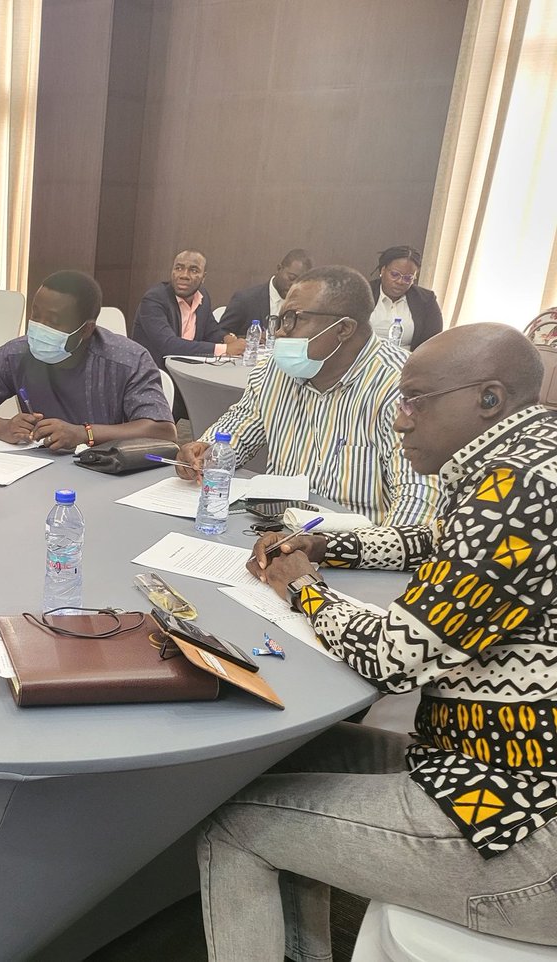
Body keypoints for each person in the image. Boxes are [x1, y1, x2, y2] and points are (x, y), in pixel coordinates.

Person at [197, 324, 557, 961]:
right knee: (300, 755)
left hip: (518, 825)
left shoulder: (520, 490)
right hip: (486, 771)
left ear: (490, 399)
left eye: (418, 400)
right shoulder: (529, 456)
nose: (400, 420)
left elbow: (395, 657)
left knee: (234, 827)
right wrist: (329, 545)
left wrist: (303, 589)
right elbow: (438, 541)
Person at [174, 265, 444, 527]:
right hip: (274, 532)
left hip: (357, 551)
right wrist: (207, 450)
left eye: (294, 319)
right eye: (280, 320)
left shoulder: (400, 386)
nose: (280, 332)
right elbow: (241, 426)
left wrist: (347, 552)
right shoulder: (275, 371)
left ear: (343, 329)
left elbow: (418, 503)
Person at [0, 270, 175, 451]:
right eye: (36, 315)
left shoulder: (128, 360)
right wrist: (2, 427)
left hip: (105, 472)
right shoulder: (16, 354)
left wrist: (85, 434)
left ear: (86, 330)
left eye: (53, 321)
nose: (39, 327)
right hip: (36, 472)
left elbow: (162, 431)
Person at [132, 250, 245, 368]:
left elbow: (211, 331)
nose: (184, 275)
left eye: (193, 270)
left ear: (203, 277)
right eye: (179, 268)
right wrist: (225, 349)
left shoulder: (202, 296)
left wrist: (228, 339)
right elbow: (168, 345)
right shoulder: (154, 299)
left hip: (189, 368)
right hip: (154, 373)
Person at [218, 249, 313, 337]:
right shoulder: (245, 299)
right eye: (291, 278)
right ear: (279, 269)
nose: (293, 286)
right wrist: (251, 339)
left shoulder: (302, 308)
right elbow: (219, 334)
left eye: (300, 282)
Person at [369, 244, 443, 348]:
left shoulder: (426, 300)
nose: (400, 281)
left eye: (408, 278)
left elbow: (433, 343)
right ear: (383, 270)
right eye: (395, 274)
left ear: (414, 277)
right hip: (364, 359)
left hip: (407, 361)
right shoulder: (363, 293)